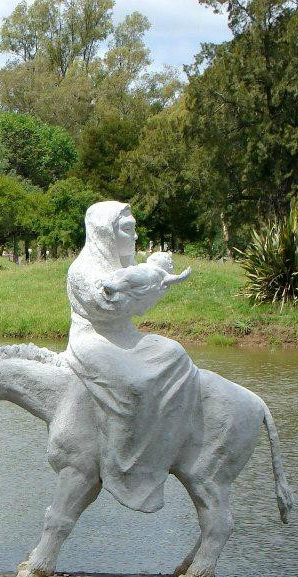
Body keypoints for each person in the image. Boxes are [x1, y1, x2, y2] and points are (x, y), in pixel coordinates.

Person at [62, 201, 202, 514]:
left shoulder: (121, 267)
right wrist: (155, 277)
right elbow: (111, 306)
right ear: (104, 233)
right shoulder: (82, 271)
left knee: (175, 353)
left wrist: (153, 277)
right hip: (93, 341)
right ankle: (121, 454)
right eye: (128, 229)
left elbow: (134, 304)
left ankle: (166, 436)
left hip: (124, 336)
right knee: (136, 382)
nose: (135, 235)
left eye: (135, 228)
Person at [100, 251, 191, 302]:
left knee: (131, 279)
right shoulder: (146, 265)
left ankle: (116, 287)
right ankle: (114, 284)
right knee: (126, 274)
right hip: (137, 271)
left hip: (144, 277)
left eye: (165, 258)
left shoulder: (162, 273)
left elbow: (170, 279)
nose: (158, 256)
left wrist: (181, 277)